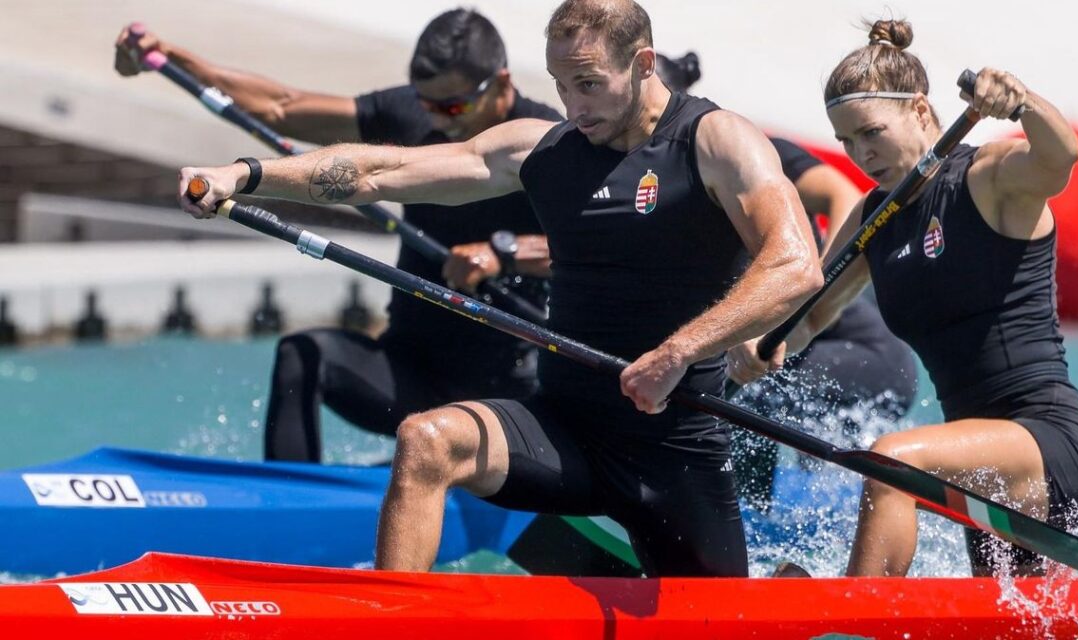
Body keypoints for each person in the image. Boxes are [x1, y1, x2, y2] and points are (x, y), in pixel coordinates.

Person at [178, 0, 823, 577]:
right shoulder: (542, 150)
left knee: (724, 617)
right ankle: (392, 621)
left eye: (591, 85)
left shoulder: (713, 140)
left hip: (672, 444)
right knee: (427, 442)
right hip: (565, 427)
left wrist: (679, 351)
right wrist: (248, 173)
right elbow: (382, 171)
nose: (574, 108)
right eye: (563, 86)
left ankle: (780, 592)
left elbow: (796, 265)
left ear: (644, 62)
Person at [729, 19, 1078, 577]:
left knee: (890, 461)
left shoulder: (990, 179)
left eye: (871, 133)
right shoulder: (873, 218)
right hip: (968, 457)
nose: (860, 153)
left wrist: (1021, 101)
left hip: (1046, 440)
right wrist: (754, 345)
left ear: (922, 113)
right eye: (847, 141)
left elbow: (1060, 157)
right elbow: (808, 319)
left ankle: (850, 622)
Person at [116, 10, 563, 462]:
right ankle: (293, 505)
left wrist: (503, 254)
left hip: (503, 396)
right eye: (426, 104)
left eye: (451, 107)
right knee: (303, 354)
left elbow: (604, 243)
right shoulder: (413, 114)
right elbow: (281, 107)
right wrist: (173, 58)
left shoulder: (547, 142)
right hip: (410, 370)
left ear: (501, 83)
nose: (437, 119)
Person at [656, 51, 918, 509]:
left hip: (862, 353)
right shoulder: (639, 181)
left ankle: (742, 531)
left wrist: (801, 279)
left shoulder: (745, 152)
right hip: (782, 354)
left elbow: (845, 193)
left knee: (745, 400)